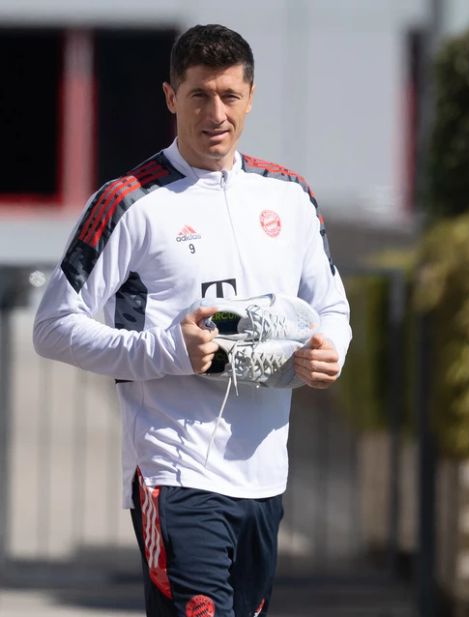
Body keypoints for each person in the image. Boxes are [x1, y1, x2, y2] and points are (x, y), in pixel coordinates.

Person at [32, 24, 351, 617]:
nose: (215, 113)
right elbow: (51, 326)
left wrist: (329, 348)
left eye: (229, 95)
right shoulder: (129, 201)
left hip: (264, 479)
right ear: (170, 96)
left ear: (250, 97)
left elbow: (331, 302)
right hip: (175, 473)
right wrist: (167, 351)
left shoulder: (290, 197)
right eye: (199, 94)